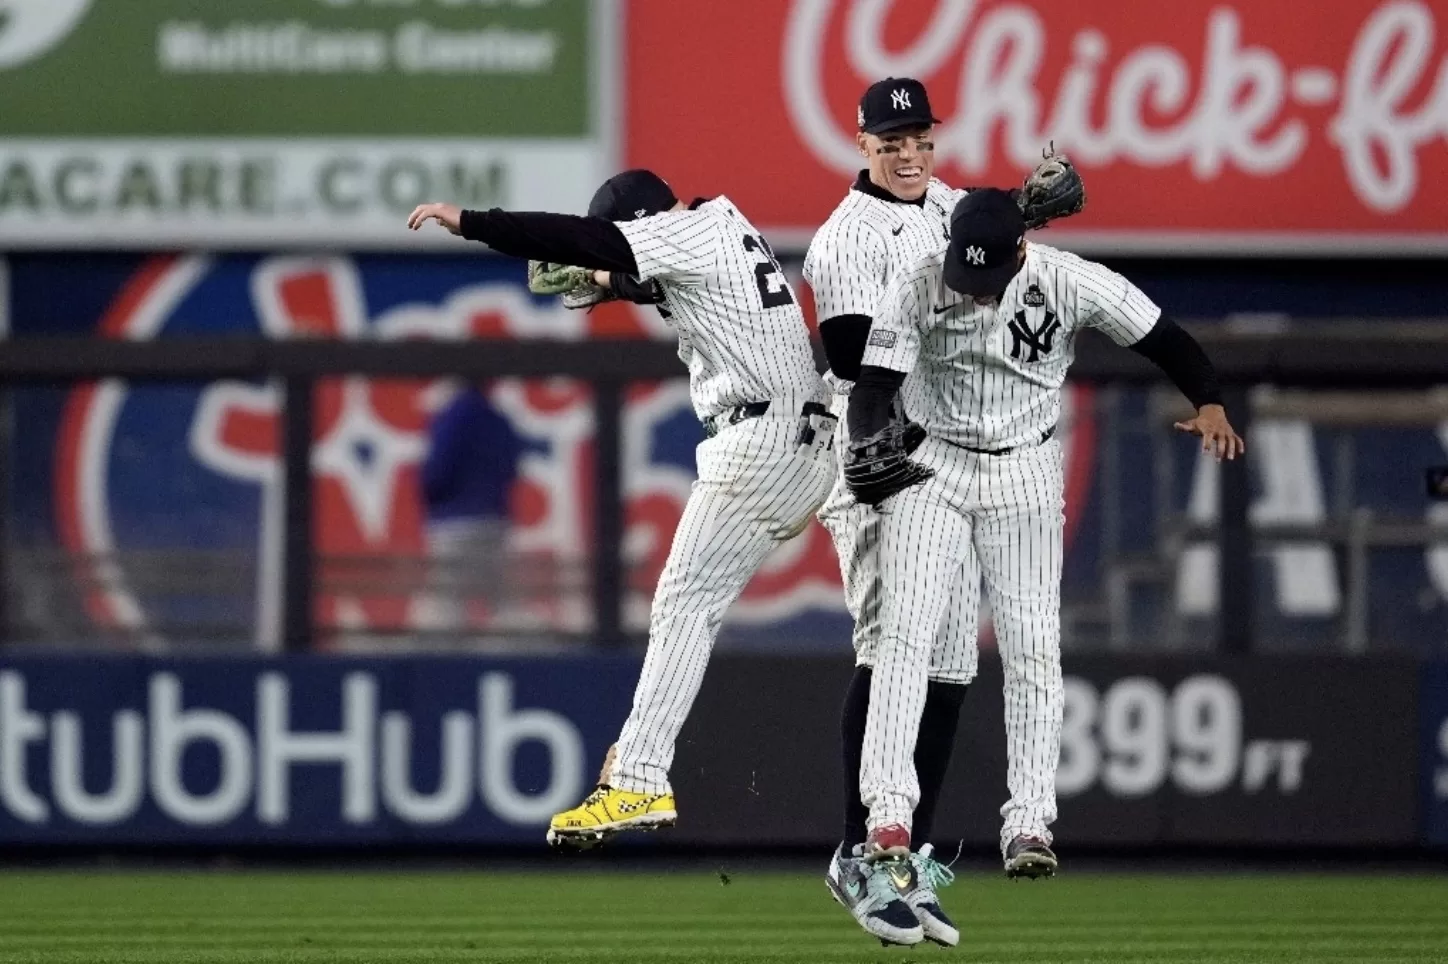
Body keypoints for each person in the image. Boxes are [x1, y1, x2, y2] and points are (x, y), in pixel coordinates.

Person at [841, 189, 1242, 938]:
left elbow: (1161, 336)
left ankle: (1029, 823)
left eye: (987, 269)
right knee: (906, 635)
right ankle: (888, 818)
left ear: (1021, 252)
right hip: (936, 461)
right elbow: (874, 387)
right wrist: (865, 440)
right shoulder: (923, 279)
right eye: (965, 265)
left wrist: (1210, 399)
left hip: (1025, 468)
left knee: (1032, 646)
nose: (972, 281)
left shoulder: (1069, 279)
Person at [408, 170, 838, 848]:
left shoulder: (676, 234)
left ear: (641, 222)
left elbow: (587, 240)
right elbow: (657, 276)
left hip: (765, 439)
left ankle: (637, 779)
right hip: (804, 439)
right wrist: (610, 282)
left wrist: (473, 221)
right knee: (704, 605)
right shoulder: (717, 225)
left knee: (682, 605)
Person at [805, 77, 1086, 947]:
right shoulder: (846, 236)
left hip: (955, 460)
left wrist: (1025, 212)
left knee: (955, 662)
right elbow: (855, 355)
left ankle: (910, 851)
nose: (907, 152)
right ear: (860, 142)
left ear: (934, 137)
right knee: (894, 642)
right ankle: (860, 854)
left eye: (918, 136)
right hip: (881, 450)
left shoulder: (954, 203)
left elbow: (989, 246)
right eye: (890, 139)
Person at [418, 382, 523, 636]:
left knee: (448, 602)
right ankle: (506, 658)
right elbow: (511, 466)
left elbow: (436, 472)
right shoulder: (496, 419)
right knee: (498, 599)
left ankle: (448, 666)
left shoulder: (450, 418)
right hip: (492, 521)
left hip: (453, 522)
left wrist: (434, 499)